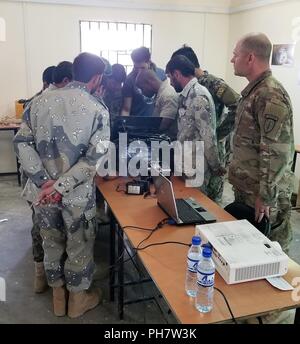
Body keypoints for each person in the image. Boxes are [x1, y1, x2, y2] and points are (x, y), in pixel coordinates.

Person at [14, 52, 110, 318]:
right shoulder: (98, 108)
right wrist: (61, 186)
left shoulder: (37, 103)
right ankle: (77, 301)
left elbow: (22, 143)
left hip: (43, 195)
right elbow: (94, 158)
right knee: (79, 245)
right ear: (97, 77)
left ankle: (58, 299)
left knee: (51, 242)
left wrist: (45, 184)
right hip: (76, 196)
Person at [229, 33, 294, 253]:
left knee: (271, 252)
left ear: (250, 58)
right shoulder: (255, 92)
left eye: (235, 55)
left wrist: (265, 196)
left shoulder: (270, 94)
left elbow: (276, 151)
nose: (232, 60)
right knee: (250, 252)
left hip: (263, 196)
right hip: (249, 190)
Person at [171, 46, 240, 203]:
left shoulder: (213, 84)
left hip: (212, 148)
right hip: (196, 150)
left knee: (211, 200)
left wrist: (219, 132)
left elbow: (237, 103)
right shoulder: (187, 89)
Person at [165, 55, 225, 195]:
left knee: (196, 208)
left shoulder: (198, 96)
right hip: (185, 164)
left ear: (177, 74)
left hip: (196, 168)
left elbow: (208, 137)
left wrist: (215, 167)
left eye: (169, 77)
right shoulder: (186, 95)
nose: (170, 82)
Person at [121, 46, 166, 117]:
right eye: (136, 68)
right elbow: (126, 109)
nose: (139, 71)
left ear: (149, 62)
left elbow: (166, 102)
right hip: (136, 124)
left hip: (157, 123)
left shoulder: (161, 74)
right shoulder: (129, 80)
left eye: (142, 68)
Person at [135, 68, 179, 139]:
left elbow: (163, 125)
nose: (142, 92)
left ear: (149, 82)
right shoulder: (160, 94)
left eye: (142, 88)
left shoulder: (168, 95)